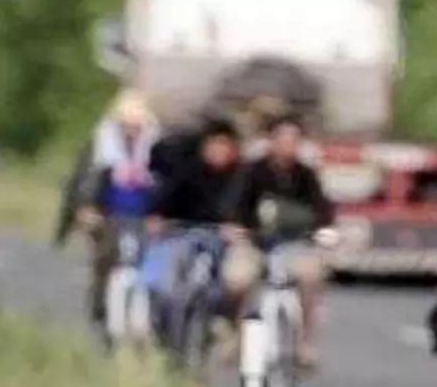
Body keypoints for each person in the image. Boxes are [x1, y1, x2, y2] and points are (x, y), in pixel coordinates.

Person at [227, 112, 338, 366]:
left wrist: (325, 231)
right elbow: (234, 206)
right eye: (283, 138)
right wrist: (236, 228)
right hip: (255, 243)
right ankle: (237, 334)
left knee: (311, 277)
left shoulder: (306, 175)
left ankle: (307, 341)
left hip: (295, 244)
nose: (288, 145)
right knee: (236, 279)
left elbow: (323, 210)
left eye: (294, 139)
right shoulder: (252, 171)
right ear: (271, 140)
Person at [141, 118, 251, 347]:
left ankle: (223, 323)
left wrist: (239, 228)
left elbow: (249, 212)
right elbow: (163, 200)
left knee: (232, 281)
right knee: (165, 282)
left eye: (224, 145)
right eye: (213, 144)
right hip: (184, 235)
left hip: (223, 241)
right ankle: (162, 330)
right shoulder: (188, 171)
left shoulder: (242, 178)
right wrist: (156, 217)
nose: (218, 151)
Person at [69, 89, 165, 331]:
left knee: (147, 267)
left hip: (142, 216)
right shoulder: (101, 144)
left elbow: (163, 183)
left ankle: (146, 321)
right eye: (127, 126)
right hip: (108, 214)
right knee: (105, 262)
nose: (131, 131)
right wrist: (86, 208)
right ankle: (101, 311)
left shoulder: (156, 147)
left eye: (136, 126)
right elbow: (85, 181)